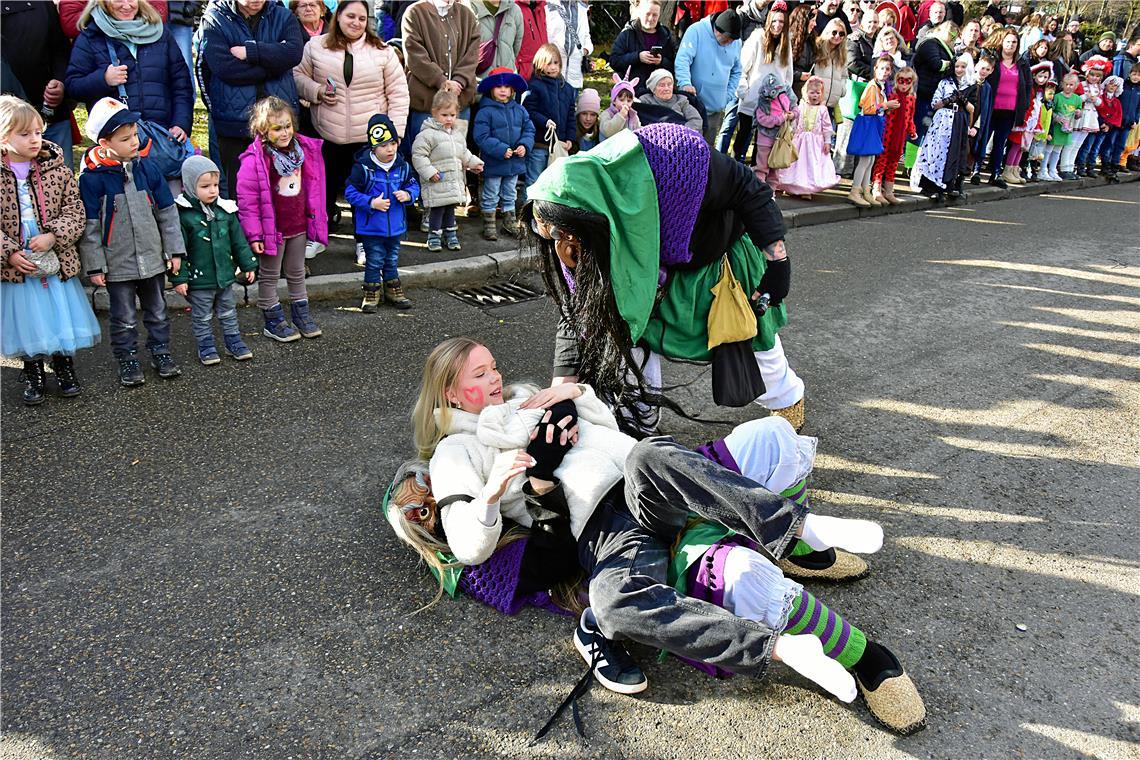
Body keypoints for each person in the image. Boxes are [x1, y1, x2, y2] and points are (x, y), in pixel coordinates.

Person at [391, 337, 927, 734]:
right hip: (600, 531)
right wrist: (495, 492)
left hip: (643, 481)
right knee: (613, 600)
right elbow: (470, 546)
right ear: (450, 392)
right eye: (480, 373)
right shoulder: (455, 453)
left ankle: (799, 528)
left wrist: (574, 393)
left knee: (656, 452)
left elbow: (611, 431)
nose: (495, 378)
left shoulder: (528, 397)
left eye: (494, 367)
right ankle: (781, 649)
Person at [523, 123, 812, 445]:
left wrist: (778, 264)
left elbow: (751, 189)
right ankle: (636, 420)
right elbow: (578, 305)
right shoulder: (579, 220)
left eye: (567, 237)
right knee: (625, 331)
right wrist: (561, 388)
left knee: (751, 339)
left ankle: (788, 400)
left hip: (718, 266)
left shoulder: (675, 158)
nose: (564, 247)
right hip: (651, 276)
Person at [78, 98, 186, 386]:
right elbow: (90, 228)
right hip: (117, 264)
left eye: (135, 135)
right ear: (104, 143)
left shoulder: (148, 169)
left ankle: (161, 350)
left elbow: (167, 213)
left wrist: (174, 250)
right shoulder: (91, 180)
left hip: (152, 258)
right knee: (123, 316)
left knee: (158, 311)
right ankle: (127, 358)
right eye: (125, 139)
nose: (135, 142)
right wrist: (95, 265)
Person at [0, 96, 100, 404]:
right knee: (28, 317)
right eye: (24, 134)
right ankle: (33, 370)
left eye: (37, 132)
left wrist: (53, 236)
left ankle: (63, 365)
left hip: (54, 256)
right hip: (17, 263)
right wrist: (8, 252)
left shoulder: (57, 169)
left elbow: (74, 210)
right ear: (3, 137)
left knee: (58, 312)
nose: (34, 139)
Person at [293, 0, 409, 258]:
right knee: (323, 189)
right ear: (338, 17)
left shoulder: (382, 52)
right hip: (327, 133)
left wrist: (395, 133)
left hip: (368, 139)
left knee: (367, 191)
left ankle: (364, 241)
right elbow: (298, 77)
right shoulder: (315, 46)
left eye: (362, 18)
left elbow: (399, 93)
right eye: (351, 16)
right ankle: (318, 237)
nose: (356, 23)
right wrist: (317, 91)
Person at [236, 96, 327, 342]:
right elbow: (247, 202)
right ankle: (272, 320)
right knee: (270, 274)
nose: (285, 132)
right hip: (272, 230)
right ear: (263, 130)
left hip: (298, 225)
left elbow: (314, 188)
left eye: (288, 126)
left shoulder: (302, 151)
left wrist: (316, 220)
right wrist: (254, 235)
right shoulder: (255, 160)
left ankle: (301, 315)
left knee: (297, 272)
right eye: (277, 128)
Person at [198, 0, 305, 197]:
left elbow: (293, 53)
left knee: (281, 194)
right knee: (240, 194)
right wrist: (273, 67)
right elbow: (224, 67)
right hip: (234, 122)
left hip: (279, 123)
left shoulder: (283, 16)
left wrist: (250, 51)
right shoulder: (215, 19)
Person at [65, 0, 195, 155]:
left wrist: (181, 123)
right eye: (119, 0)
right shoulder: (91, 37)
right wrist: (103, 79)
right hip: (117, 147)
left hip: (163, 138)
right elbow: (73, 86)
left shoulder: (160, 32)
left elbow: (181, 85)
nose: (126, 6)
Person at [173, 155, 257, 364]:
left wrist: (247, 264)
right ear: (190, 186)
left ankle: (233, 341)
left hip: (224, 276)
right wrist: (179, 278)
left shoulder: (225, 211)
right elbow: (178, 250)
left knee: (228, 311)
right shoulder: (183, 215)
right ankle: (206, 345)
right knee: (202, 315)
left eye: (215, 185)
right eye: (205, 186)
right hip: (199, 279)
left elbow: (238, 241)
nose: (212, 191)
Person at [345, 113, 419, 312]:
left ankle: (393, 290)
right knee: (374, 259)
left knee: (392, 259)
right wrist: (371, 202)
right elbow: (350, 193)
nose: (390, 149)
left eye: (393, 143)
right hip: (371, 227)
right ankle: (371, 293)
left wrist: (408, 195)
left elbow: (413, 185)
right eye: (383, 145)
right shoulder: (363, 168)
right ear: (373, 147)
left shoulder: (402, 166)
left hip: (395, 227)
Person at [400, 0, 480, 157]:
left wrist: (459, 80)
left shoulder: (467, 15)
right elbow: (414, 54)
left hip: (460, 102)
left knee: (456, 158)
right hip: (427, 104)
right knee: (423, 158)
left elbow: (472, 54)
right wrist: (441, 80)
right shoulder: (414, 12)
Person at [0, 2, 75, 170]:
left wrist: (60, 82)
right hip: (5, 124)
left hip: (51, 114)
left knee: (60, 176)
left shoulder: (41, 4)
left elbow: (60, 49)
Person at [412, 89, 485, 252]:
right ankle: (434, 236)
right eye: (444, 115)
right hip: (437, 180)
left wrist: (474, 163)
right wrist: (430, 172)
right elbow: (418, 156)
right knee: (437, 210)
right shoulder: (427, 134)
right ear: (434, 113)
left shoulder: (457, 135)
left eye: (452, 115)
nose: (449, 119)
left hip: (453, 180)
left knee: (450, 209)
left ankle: (450, 235)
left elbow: (463, 153)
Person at [472, 67, 534, 240]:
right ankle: (489, 224)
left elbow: (529, 130)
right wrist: (500, 149)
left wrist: (524, 145)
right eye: (498, 86)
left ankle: (509, 222)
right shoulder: (485, 111)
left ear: (512, 89)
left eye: (506, 87)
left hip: (514, 163)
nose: (503, 90)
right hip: (494, 162)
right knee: (491, 193)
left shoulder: (520, 110)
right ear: (491, 89)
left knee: (510, 193)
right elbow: (481, 136)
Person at [675, 8, 743, 145]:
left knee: (707, 149)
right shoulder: (696, 31)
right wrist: (685, 83)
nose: (730, 42)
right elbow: (682, 60)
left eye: (732, 40)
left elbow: (737, 71)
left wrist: (728, 96)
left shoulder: (736, 42)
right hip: (692, 104)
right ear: (717, 31)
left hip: (716, 107)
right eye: (727, 39)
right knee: (686, 146)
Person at [733, 3, 791, 159]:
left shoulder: (786, 44)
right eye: (774, 21)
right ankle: (735, 166)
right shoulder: (758, 37)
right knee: (742, 139)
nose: (777, 25)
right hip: (752, 99)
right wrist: (743, 92)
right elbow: (742, 66)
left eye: (781, 22)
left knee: (763, 146)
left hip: (773, 105)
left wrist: (784, 100)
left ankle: (756, 171)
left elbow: (787, 76)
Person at [913, 53, 973, 200]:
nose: (959, 70)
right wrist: (948, 100)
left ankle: (948, 185)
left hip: (958, 120)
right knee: (936, 150)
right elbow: (935, 104)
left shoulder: (970, 85)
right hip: (943, 120)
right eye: (957, 66)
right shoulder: (945, 82)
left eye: (963, 67)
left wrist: (963, 99)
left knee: (953, 152)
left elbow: (972, 108)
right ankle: (930, 186)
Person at [772, 76, 840, 198]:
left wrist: (827, 142)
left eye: (818, 93)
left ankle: (807, 189)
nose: (815, 96)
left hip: (815, 144)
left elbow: (827, 127)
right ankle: (788, 185)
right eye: (812, 93)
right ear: (805, 92)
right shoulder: (801, 106)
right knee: (794, 165)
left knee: (810, 166)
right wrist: (790, 134)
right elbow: (795, 122)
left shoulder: (823, 109)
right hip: (799, 142)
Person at [522, 43, 575, 187]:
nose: (553, 67)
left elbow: (571, 115)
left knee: (555, 181)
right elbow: (528, 111)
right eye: (548, 63)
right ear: (540, 64)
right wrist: (544, 121)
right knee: (534, 179)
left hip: (559, 143)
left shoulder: (567, 89)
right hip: (539, 143)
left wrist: (570, 137)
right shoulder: (534, 86)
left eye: (556, 63)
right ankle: (530, 201)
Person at [835, 11, 879, 177]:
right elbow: (852, 63)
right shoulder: (854, 39)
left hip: (870, 90)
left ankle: (855, 170)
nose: (872, 25)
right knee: (847, 129)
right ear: (862, 23)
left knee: (861, 131)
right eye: (869, 21)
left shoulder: (877, 40)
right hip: (855, 88)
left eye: (875, 22)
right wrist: (875, 73)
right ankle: (841, 169)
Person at [846, 54, 893, 206]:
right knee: (865, 160)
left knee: (871, 159)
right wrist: (886, 106)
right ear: (875, 69)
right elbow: (868, 108)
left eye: (887, 69)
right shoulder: (872, 86)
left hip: (875, 123)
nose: (884, 72)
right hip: (868, 123)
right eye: (882, 68)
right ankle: (855, 190)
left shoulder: (881, 86)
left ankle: (866, 190)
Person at [610, 0, 678, 95]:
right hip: (633, 92)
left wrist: (661, 61)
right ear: (639, 13)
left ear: (659, 15)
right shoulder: (627, 34)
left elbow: (675, 66)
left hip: (660, 93)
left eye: (655, 15)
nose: (651, 18)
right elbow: (614, 61)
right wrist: (637, 57)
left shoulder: (665, 35)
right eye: (647, 14)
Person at [871, 65, 916, 202]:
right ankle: (876, 188)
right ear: (897, 80)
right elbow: (881, 110)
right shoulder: (891, 95)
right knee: (882, 160)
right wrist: (888, 106)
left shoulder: (911, 98)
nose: (904, 85)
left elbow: (910, 117)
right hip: (887, 134)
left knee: (894, 162)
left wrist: (912, 131)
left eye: (908, 81)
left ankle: (889, 190)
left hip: (900, 136)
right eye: (901, 81)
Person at [1004, 61, 1052, 184]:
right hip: (1024, 122)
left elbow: (1038, 110)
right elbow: (1026, 106)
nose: (1042, 79)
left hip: (1031, 124)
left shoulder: (1040, 92)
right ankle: (1008, 170)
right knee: (1016, 145)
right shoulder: (1029, 89)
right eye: (1040, 76)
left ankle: (1015, 169)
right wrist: (1024, 121)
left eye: (1045, 77)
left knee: (1022, 148)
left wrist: (1036, 125)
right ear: (1034, 75)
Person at [911, 19, 954, 145]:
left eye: (955, 35)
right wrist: (949, 64)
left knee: (927, 130)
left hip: (934, 93)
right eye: (950, 33)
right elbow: (937, 64)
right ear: (940, 30)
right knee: (918, 128)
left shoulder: (945, 48)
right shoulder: (930, 43)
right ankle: (911, 156)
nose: (952, 37)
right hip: (924, 91)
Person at [793, 18, 849, 113]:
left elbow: (844, 76)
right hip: (813, 103)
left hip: (831, 105)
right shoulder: (817, 47)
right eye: (834, 32)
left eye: (841, 34)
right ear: (827, 32)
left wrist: (841, 90)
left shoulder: (842, 53)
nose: (837, 36)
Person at [752, 74, 796, 184]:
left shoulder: (786, 94)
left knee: (775, 168)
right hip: (765, 138)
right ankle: (759, 189)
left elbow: (795, 107)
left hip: (780, 138)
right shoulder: (762, 100)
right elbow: (762, 119)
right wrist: (779, 119)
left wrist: (793, 114)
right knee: (761, 167)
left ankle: (771, 190)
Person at [1072, 55, 1110, 176]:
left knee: (1084, 144)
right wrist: (1085, 97)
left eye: (1097, 76)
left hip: (1092, 118)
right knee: (1073, 143)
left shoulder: (1099, 88)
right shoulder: (1081, 85)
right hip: (1081, 115)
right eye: (1092, 75)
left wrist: (1096, 100)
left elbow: (1102, 105)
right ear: (1087, 74)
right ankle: (1072, 166)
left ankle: (1081, 166)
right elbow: (1075, 99)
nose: (1094, 78)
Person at [544, 0, 592, 90]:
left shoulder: (581, 8)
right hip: (553, 67)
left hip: (575, 72)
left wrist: (585, 50)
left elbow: (586, 35)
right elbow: (544, 34)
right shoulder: (548, 6)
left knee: (572, 97)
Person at [470, 0, 524, 78]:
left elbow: (516, 45)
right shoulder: (469, 9)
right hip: (480, 79)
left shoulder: (514, 10)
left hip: (507, 79)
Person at [637, 68, 703, 131]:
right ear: (653, 88)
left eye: (669, 84)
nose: (666, 88)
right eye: (662, 85)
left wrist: (681, 133)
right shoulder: (644, 102)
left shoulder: (682, 101)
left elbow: (696, 120)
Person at [1047, 72, 1081, 179]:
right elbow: (1050, 110)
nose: (1068, 87)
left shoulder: (1077, 99)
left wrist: (1078, 113)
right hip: (1056, 127)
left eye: (1071, 85)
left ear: (1076, 86)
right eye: (1066, 84)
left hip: (1067, 128)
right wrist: (1056, 117)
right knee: (1049, 148)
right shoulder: (1057, 97)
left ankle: (1052, 169)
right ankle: (1044, 169)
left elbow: (1078, 114)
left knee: (1058, 149)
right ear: (1062, 84)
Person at [1027, 75, 1056, 181]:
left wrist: (1050, 133)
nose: (1051, 96)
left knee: (1038, 154)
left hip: (1044, 134)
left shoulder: (1050, 106)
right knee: (1031, 153)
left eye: (1053, 94)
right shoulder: (1040, 104)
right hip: (1036, 132)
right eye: (1049, 93)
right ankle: (1028, 170)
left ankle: (1034, 170)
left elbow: (1050, 121)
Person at [515, 0, 549, 80]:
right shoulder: (514, 9)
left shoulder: (544, 6)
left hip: (546, 69)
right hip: (525, 73)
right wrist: (517, 70)